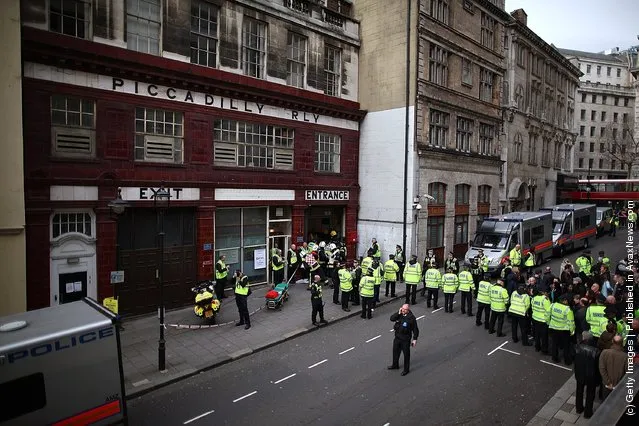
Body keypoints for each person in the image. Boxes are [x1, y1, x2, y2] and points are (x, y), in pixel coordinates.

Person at [574, 331, 601, 419]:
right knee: (590, 394)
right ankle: (588, 413)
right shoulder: (596, 351)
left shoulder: (577, 347)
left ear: (584, 338)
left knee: (579, 391)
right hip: (591, 375)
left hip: (580, 374)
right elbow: (597, 366)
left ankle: (579, 408)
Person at [388, 304, 420, 376]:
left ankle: (406, 369)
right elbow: (391, 318)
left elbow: (415, 329)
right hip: (397, 337)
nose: (403, 310)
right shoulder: (400, 314)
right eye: (402, 309)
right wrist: (398, 313)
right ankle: (395, 365)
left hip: (405, 339)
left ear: (408, 310)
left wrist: (415, 339)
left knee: (406, 354)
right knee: (395, 351)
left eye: (405, 309)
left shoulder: (411, 318)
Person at [548, 295, 575, 365]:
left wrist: (549, 323)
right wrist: (572, 332)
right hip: (564, 330)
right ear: (565, 301)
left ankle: (554, 358)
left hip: (554, 328)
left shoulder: (553, 305)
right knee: (566, 346)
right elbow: (571, 322)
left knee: (554, 344)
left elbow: (547, 314)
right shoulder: (568, 309)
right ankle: (567, 361)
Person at [531, 289, 551, 353]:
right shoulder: (545, 299)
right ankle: (544, 350)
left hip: (535, 318)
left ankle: (537, 347)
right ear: (544, 292)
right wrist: (548, 321)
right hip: (543, 320)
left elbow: (532, 307)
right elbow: (548, 311)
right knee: (544, 336)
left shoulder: (534, 298)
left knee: (537, 334)